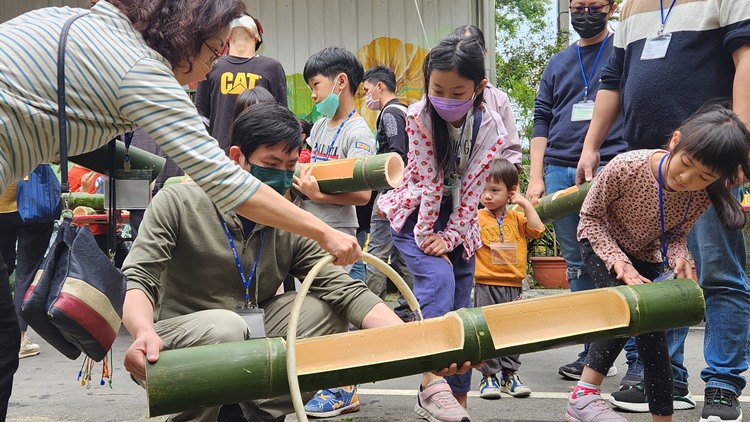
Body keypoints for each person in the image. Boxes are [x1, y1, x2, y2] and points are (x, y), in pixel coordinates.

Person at [0, 2, 360, 419]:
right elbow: (223, 182)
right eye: (211, 50)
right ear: (183, 36)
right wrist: (323, 230)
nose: (212, 67)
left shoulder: (85, 24)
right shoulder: (139, 70)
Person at [121, 102, 471, 422]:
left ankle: (257, 412)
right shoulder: (179, 200)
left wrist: (421, 346)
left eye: (290, 167)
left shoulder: (289, 220)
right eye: (271, 165)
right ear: (236, 157)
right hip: (179, 340)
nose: (282, 177)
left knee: (326, 310)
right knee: (226, 327)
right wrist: (142, 331)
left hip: (247, 338)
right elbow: (139, 277)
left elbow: (347, 292)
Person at [574, 2, 750, 420]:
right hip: (652, 162)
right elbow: (613, 79)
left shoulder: (700, 187)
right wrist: (591, 143)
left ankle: (722, 385)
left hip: (713, 155)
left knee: (719, 277)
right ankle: (643, 381)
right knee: (642, 309)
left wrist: (738, 150)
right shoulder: (632, 6)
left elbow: (746, 59)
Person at [378, 34, 510, 422]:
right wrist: (427, 237)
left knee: (461, 308)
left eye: (458, 91)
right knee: (439, 280)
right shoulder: (417, 117)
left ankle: (457, 404)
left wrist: (451, 236)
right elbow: (431, 182)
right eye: (438, 89)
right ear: (427, 83)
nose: (446, 97)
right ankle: (430, 381)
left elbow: (472, 188)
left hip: (461, 220)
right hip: (418, 212)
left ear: (479, 88)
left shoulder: (491, 126)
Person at [525, 0, 631, 385]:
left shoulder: (622, 50)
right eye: (577, 6)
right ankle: (592, 350)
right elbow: (541, 117)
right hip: (558, 168)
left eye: (593, 5)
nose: (585, 13)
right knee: (576, 261)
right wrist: (536, 176)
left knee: (619, 256)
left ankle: (631, 352)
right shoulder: (558, 63)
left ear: (611, 7)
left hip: (609, 164)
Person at [295, 45, 376, 418]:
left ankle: (343, 387)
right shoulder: (322, 127)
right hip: (312, 231)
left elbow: (362, 195)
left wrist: (317, 191)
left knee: (339, 309)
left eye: (315, 85)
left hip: (339, 234)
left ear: (340, 82)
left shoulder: (358, 132)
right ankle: (324, 381)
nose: (312, 95)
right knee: (316, 309)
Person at [473, 158, 544, 400]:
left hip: (513, 286)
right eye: (483, 190)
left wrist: (524, 203)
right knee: (487, 332)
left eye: (495, 190)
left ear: (510, 191)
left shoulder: (516, 218)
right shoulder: (477, 218)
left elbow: (537, 229)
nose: (488, 196)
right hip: (486, 284)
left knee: (513, 331)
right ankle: (489, 376)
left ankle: (510, 374)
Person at [361, 65, 414, 320]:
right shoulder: (406, 110)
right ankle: (410, 310)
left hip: (392, 196)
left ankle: (372, 312)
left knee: (377, 256)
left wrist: (388, 198)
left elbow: (397, 155)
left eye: (367, 89)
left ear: (379, 87)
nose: (366, 95)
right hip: (407, 197)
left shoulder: (390, 113)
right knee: (404, 255)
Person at [195, 14, 288, 153]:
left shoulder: (272, 67)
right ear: (226, 37)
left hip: (260, 153)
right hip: (221, 154)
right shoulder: (211, 65)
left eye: (247, 19)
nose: (241, 18)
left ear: (257, 37)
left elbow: (281, 116)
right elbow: (201, 117)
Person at [452, 25, 522, 169]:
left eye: (473, 49)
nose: (467, 55)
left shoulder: (499, 98)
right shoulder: (439, 95)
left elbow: (511, 151)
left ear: (484, 53)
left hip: (488, 185)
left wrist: (506, 183)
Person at [0, 185, 52, 360]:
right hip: (34, 200)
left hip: (2, 205)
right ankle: (20, 339)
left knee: (4, 268)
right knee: (27, 272)